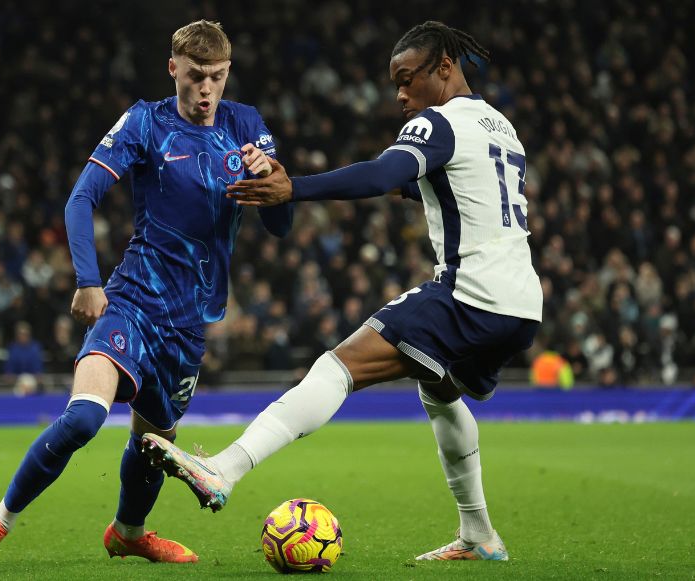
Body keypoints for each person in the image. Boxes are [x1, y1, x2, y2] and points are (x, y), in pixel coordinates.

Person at [142, 21, 542, 562]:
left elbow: (381, 175)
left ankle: (223, 469)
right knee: (440, 391)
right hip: (521, 302)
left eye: (407, 79)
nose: (400, 95)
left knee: (338, 367)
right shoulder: (500, 127)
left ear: (445, 67)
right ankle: (479, 535)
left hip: (471, 293)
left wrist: (293, 188)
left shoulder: (438, 123)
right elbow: (425, 187)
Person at [0, 20, 293, 568]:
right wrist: (88, 280)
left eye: (217, 77)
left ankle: (129, 533)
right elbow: (80, 198)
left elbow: (280, 227)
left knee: (154, 445)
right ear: (173, 68)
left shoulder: (245, 124)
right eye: (196, 76)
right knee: (84, 418)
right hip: (132, 300)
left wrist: (271, 179)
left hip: (189, 324)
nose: (206, 89)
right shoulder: (145, 122)